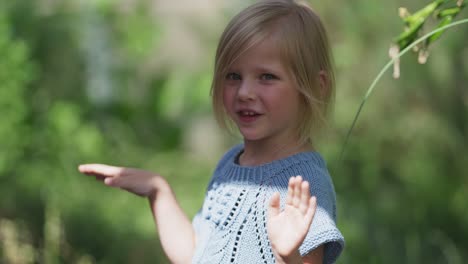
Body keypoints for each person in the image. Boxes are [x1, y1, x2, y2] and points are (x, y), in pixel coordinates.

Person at [78, 0, 344, 263]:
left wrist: (288, 257)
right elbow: (197, 254)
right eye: (233, 76)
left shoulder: (305, 184)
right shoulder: (231, 163)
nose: (244, 92)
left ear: (316, 86)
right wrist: (158, 191)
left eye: (267, 77)